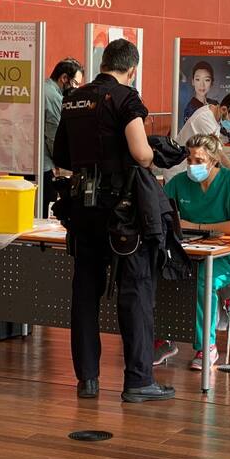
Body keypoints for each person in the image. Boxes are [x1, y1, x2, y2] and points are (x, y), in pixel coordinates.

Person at [52, 39, 175, 403]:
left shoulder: (73, 99)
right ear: (132, 69)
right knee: (135, 290)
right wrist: (155, 154)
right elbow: (140, 152)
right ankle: (138, 380)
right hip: (123, 211)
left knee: (85, 292)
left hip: (82, 208)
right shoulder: (125, 98)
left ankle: (87, 380)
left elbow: (62, 155)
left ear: (103, 62)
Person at [157, 134, 230, 369]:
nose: (193, 166)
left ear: (213, 160)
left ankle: (206, 346)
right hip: (187, 254)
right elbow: (158, 209)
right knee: (157, 272)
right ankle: (162, 339)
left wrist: (196, 226)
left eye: (199, 160)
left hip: (228, 257)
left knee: (202, 279)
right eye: (189, 160)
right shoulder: (179, 183)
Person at [163, 92, 230, 182]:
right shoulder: (205, 119)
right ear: (224, 109)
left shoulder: (215, 116)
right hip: (177, 172)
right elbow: (218, 153)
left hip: (189, 170)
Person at [43, 58, 83, 218]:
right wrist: (63, 162)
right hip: (43, 165)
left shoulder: (43, 87)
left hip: (26, 161)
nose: (76, 88)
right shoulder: (54, 97)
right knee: (45, 207)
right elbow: (54, 136)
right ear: (64, 78)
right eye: (75, 83)